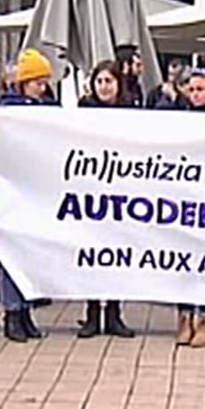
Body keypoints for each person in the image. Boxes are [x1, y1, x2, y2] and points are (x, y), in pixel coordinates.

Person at [0, 49, 58, 342]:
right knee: (11, 252)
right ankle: (12, 312)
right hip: (11, 190)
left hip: (36, 190)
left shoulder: (44, 109)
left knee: (30, 252)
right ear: (23, 82)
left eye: (44, 82)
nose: (42, 88)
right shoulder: (7, 110)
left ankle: (25, 310)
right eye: (37, 82)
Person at [76, 61, 137, 340]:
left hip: (121, 191)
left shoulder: (130, 111)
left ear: (118, 84)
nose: (103, 87)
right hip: (91, 189)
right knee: (92, 252)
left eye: (108, 81)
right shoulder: (83, 110)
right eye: (99, 81)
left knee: (116, 253)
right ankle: (91, 313)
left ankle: (114, 313)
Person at [172, 67, 205, 347]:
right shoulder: (179, 120)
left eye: (200, 89)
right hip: (185, 198)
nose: (194, 94)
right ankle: (184, 316)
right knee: (184, 259)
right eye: (190, 89)